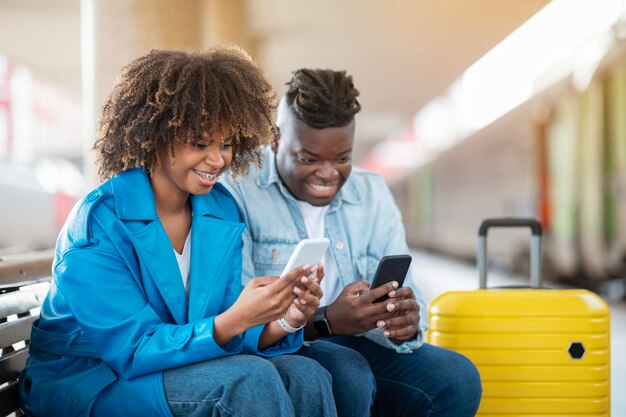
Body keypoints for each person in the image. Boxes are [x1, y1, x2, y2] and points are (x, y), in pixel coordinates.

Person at [18, 48, 338, 417]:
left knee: (308, 374)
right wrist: (236, 318)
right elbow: (133, 349)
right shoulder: (99, 223)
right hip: (89, 380)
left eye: (227, 143)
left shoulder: (220, 209)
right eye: (200, 144)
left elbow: (220, 326)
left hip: (171, 366)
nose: (218, 160)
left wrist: (285, 319)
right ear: (154, 135)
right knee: (248, 381)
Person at [222, 68, 483, 417]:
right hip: (278, 344)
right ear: (275, 139)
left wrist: (403, 324)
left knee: (457, 377)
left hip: (356, 343)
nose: (328, 173)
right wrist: (327, 320)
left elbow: (410, 293)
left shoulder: (371, 193)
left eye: (342, 158)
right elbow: (239, 318)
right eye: (308, 158)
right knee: (346, 370)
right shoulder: (238, 187)